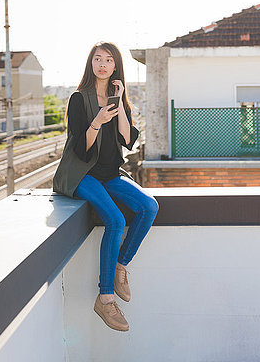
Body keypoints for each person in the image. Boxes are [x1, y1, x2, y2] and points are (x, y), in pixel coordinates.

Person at [53, 41, 159, 332]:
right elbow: (81, 150)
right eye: (97, 59)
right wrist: (97, 122)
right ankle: (105, 297)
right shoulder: (79, 99)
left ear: (116, 66)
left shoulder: (118, 98)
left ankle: (120, 266)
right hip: (83, 174)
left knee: (149, 206)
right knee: (115, 219)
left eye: (108, 60)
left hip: (112, 173)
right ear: (91, 64)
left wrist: (120, 99)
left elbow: (127, 139)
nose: (102, 64)